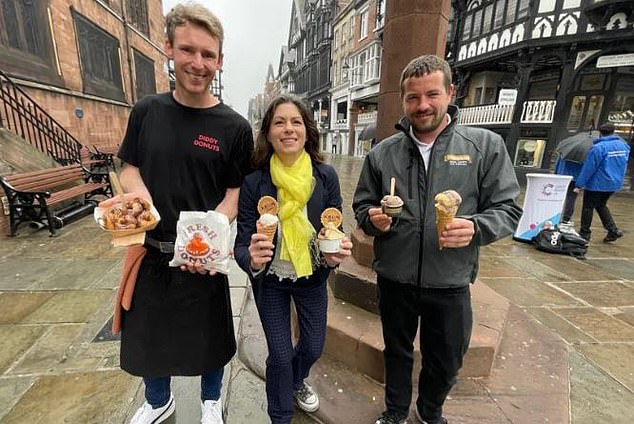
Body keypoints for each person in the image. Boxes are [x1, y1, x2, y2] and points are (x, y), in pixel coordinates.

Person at [99, 3, 253, 424]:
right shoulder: (147, 112)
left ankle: (210, 401)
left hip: (202, 254)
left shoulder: (234, 127)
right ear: (168, 48)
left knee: (211, 336)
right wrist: (141, 201)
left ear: (219, 60)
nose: (198, 63)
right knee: (150, 333)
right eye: (188, 50)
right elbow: (129, 167)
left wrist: (213, 233)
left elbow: (236, 191)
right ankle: (157, 400)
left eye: (208, 55)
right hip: (151, 250)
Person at [352, 55, 522, 424]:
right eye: (413, 98)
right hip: (395, 276)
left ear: (450, 92)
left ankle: (429, 412)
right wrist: (373, 219)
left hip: (450, 280)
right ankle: (395, 412)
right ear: (403, 100)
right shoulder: (382, 153)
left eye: (431, 94)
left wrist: (477, 227)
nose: (422, 105)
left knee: (445, 358)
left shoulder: (484, 147)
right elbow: (363, 205)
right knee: (397, 352)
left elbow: (509, 209)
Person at [234, 94, 353, 424]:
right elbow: (242, 244)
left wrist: (335, 253)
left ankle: (297, 381)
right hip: (271, 281)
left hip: (312, 276)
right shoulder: (255, 182)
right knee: (281, 355)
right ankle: (280, 415)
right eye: (279, 122)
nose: (288, 129)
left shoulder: (324, 176)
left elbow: (334, 227)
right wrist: (253, 259)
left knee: (313, 347)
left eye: (296, 122)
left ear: (307, 131)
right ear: (269, 133)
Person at [574, 122, 630, 242]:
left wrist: (579, 184)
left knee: (588, 207)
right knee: (601, 205)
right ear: (613, 132)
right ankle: (613, 230)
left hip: (597, 184)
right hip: (614, 183)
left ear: (600, 133)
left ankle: (584, 233)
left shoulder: (598, 148)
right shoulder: (624, 146)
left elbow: (589, 168)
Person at [554, 155, 582, 225]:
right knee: (571, 199)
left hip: (562, 175)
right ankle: (566, 219)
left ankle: (553, 216)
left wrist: (556, 173)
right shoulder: (584, 152)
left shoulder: (566, 148)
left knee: (557, 197)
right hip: (575, 177)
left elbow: (557, 163)